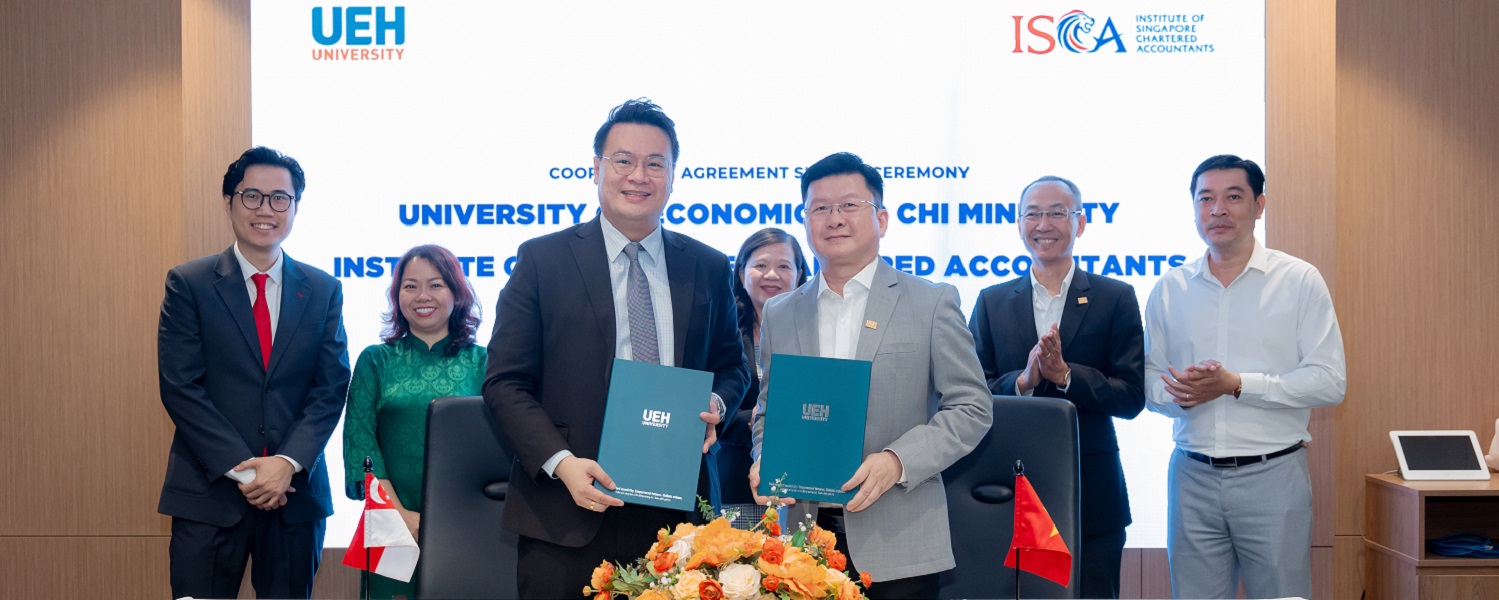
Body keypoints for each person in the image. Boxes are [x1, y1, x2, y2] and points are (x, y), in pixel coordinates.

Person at [483, 99, 750, 599]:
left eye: (656, 163)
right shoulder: (543, 260)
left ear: (674, 175)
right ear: (596, 168)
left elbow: (732, 367)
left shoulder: (709, 266)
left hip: (681, 517)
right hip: (566, 510)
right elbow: (505, 382)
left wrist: (714, 407)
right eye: (623, 160)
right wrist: (560, 462)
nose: (639, 175)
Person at [749, 152, 992, 599]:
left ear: (881, 218)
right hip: (804, 547)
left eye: (849, 206)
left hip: (900, 542)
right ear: (805, 221)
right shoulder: (782, 313)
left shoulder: (931, 302)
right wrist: (766, 456)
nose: (834, 219)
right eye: (820, 208)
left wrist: (898, 461)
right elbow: (769, 411)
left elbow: (972, 408)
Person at [1144, 155, 1346, 599]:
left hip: (1273, 475)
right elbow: (1150, 381)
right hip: (1191, 476)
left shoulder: (1298, 281)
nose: (1218, 209)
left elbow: (1330, 381)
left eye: (1233, 197)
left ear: (1259, 206)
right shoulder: (1169, 288)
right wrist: (1182, 394)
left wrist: (1237, 385)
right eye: (1206, 198)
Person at [157, 146, 350, 598]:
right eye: (252, 196)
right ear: (229, 202)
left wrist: (285, 463)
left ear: (295, 207)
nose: (266, 209)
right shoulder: (189, 284)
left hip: (294, 495)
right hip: (209, 495)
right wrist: (247, 474)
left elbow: (330, 387)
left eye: (280, 198)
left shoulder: (323, 289)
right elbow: (180, 387)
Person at [969, 175, 1144, 598]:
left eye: (1056, 213)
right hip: (1008, 493)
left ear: (1079, 224)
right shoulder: (991, 301)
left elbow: (1132, 395)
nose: (1042, 224)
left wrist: (1066, 376)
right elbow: (969, 395)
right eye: (1032, 213)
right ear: (1018, 223)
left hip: (1091, 493)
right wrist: (1024, 381)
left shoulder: (1114, 296)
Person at [342, 244, 486, 599]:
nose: (423, 296)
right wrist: (401, 515)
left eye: (436, 285)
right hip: (390, 521)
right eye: (410, 286)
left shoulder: (483, 361)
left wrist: (448, 520)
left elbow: (494, 449)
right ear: (396, 295)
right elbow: (361, 442)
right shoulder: (375, 360)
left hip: (466, 523)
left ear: (456, 293)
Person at [719, 228, 809, 527]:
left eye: (784, 266)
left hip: (802, 482)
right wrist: (751, 418)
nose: (772, 274)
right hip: (732, 476)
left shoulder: (815, 331)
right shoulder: (718, 329)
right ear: (741, 271)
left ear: (799, 274)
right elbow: (701, 401)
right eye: (760, 265)